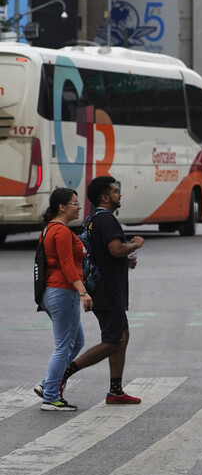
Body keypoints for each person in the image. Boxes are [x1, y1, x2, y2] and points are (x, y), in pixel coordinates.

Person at [61, 176, 145, 404]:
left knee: (122, 335)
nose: (120, 194)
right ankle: (65, 372)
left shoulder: (92, 219)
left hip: (102, 288)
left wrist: (125, 259)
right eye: (116, 191)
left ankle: (115, 390)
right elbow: (115, 248)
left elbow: (103, 253)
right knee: (113, 341)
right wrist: (135, 244)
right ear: (105, 197)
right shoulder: (107, 219)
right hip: (107, 290)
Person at [33, 188, 92, 411]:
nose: (78, 207)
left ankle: (48, 383)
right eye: (75, 203)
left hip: (52, 292)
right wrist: (83, 292)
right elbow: (67, 265)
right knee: (63, 346)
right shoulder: (62, 232)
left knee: (76, 342)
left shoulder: (49, 229)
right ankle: (50, 397)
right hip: (62, 292)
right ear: (62, 207)